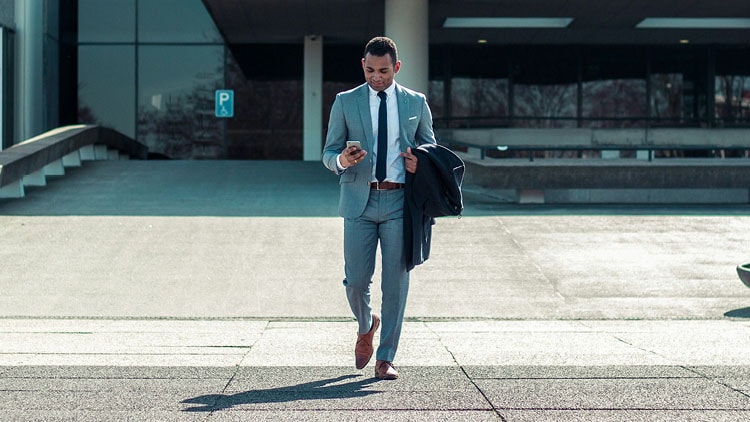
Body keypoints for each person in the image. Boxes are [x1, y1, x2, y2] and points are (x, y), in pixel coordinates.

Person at [322, 36, 437, 380]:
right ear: (363, 65)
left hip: (401, 202)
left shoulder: (416, 102)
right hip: (359, 200)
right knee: (356, 281)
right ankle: (366, 322)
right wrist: (341, 160)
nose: (376, 77)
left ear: (396, 67)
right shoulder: (345, 102)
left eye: (384, 70)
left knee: (396, 283)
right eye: (370, 70)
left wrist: (422, 163)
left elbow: (431, 147)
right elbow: (327, 153)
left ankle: (386, 357)